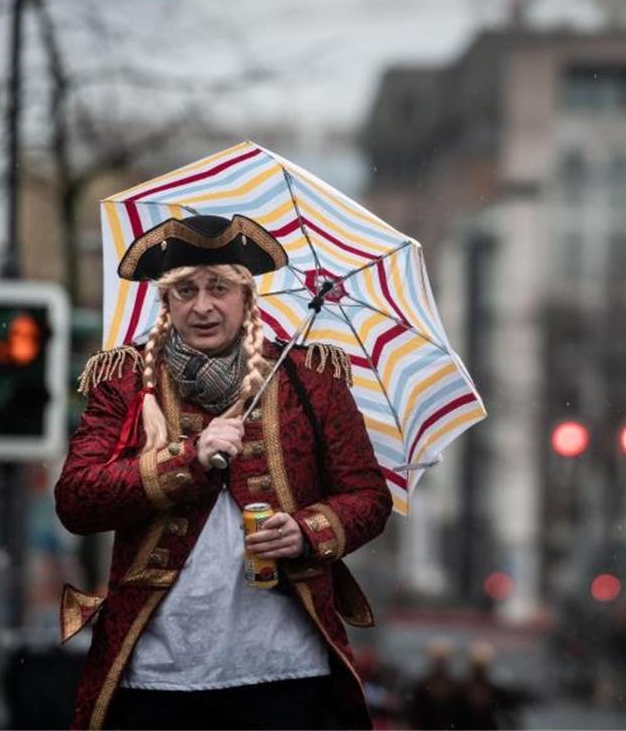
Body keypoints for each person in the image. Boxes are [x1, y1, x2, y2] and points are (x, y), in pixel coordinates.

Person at [54, 213, 393, 729]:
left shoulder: (310, 379)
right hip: (157, 677)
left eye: (219, 288)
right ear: (166, 303)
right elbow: (76, 499)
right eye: (185, 290)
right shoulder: (125, 383)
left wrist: (306, 532)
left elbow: (368, 497)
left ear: (246, 297)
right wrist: (185, 460)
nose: (203, 306)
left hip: (285, 674)